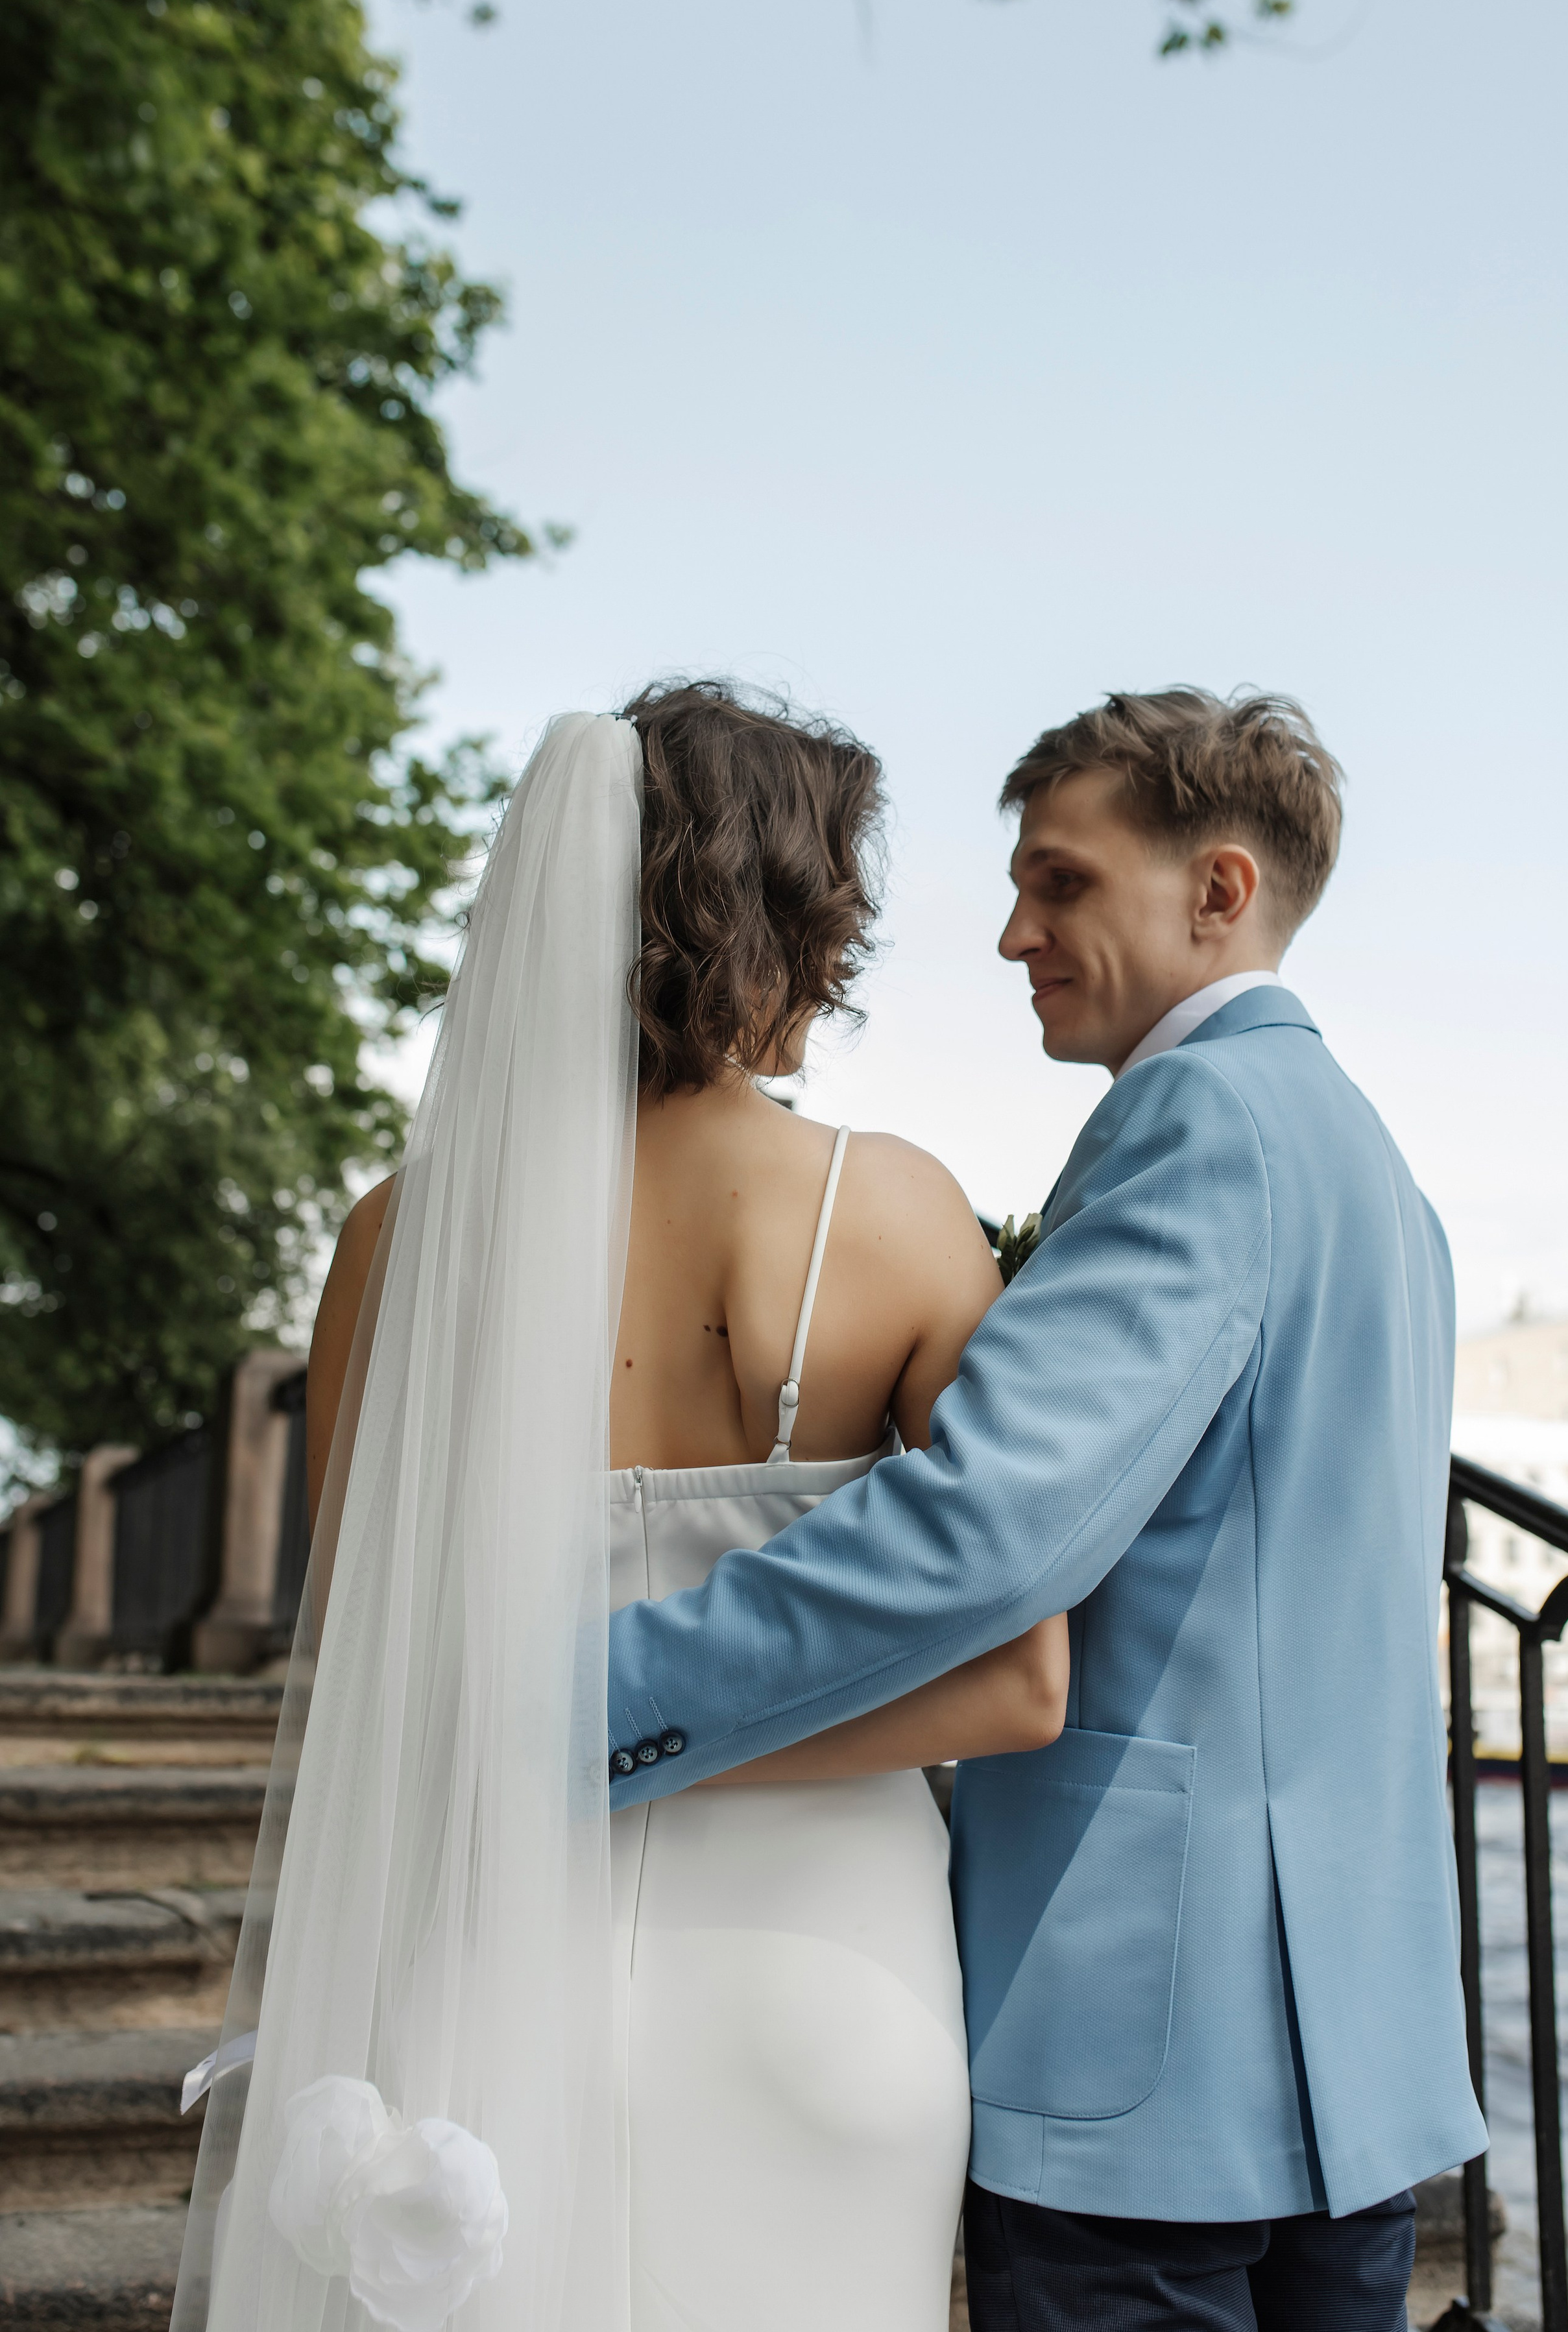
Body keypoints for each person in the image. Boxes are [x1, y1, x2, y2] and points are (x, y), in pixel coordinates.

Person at [607, 688, 1488, 2332]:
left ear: (1216, 891)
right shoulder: (1375, 1169)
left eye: (1059, 883)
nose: (1012, 933)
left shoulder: (1196, 1123)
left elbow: (980, 1531)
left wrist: (590, 1696)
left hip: (1141, 2057)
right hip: (1346, 2057)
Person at [283, 680, 1068, 2332]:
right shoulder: (897, 1210)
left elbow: (364, 1657)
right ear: (778, 914)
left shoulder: (390, 1242)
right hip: (825, 1980)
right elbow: (1019, 1680)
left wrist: (550, 1739)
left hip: (479, 1973)